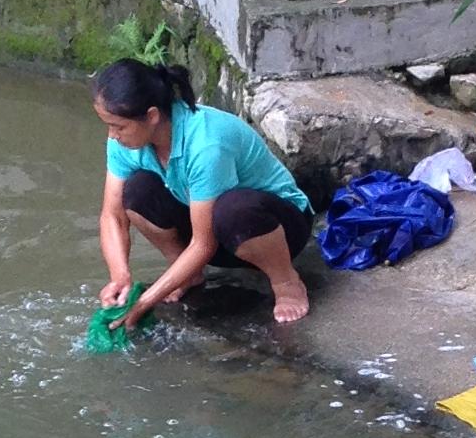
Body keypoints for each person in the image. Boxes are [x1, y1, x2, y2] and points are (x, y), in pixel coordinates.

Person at [92, 58, 316, 324]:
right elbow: (112, 216)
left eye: (119, 126)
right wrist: (120, 276)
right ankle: (186, 273)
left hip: (276, 229)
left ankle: (286, 282)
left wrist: (144, 302)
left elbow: (204, 243)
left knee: (233, 210)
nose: (113, 135)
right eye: (109, 125)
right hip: (216, 232)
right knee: (137, 191)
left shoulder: (206, 144)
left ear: (152, 116)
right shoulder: (124, 140)